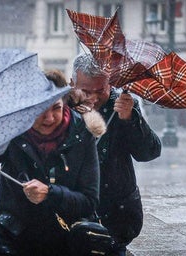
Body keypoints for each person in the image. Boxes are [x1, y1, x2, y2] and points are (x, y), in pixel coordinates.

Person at [0, 69, 101, 256]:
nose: (49, 118)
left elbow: (89, 202)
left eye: (56, 108)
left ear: (64, 103)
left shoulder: (82, 135)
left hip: (66, 243)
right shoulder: (11, 130)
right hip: (15, 242)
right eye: (40, 110)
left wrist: (51, 194)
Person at [70, 53, 162, 255]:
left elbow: (150, 152)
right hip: (74, 211)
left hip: (117, 213)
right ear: (71, 84)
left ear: (110, 84)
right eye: (85, 91)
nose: (93, 98)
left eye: (100, 90)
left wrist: (130, 119)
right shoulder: (62, 109)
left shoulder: (124, 104)